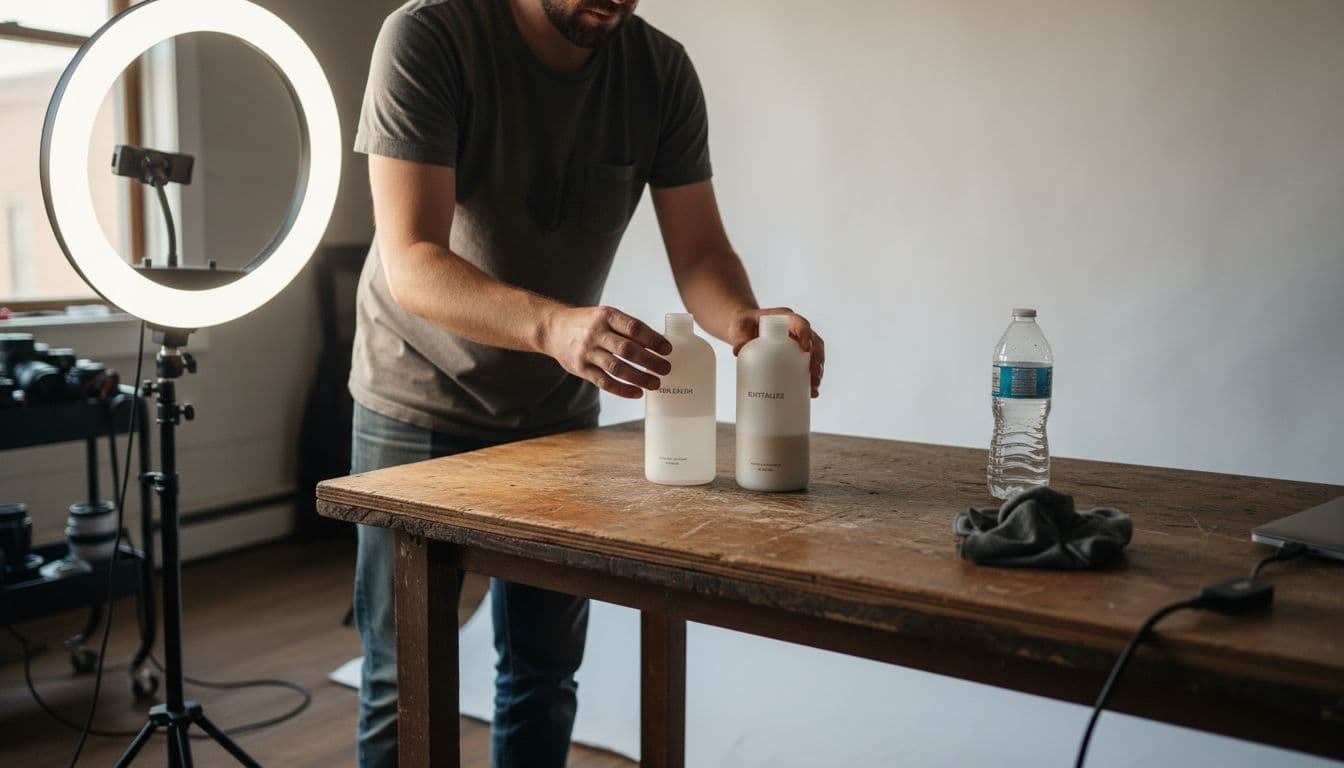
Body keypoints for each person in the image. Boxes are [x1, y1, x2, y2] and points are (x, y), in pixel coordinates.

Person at [349, 0, 826, 765]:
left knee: (543, 675)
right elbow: (411, 258)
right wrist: (553, 327)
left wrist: (740, 320)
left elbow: (699, 251)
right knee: (402, 677)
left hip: (554, 409)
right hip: (417, 396)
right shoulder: (429, 34)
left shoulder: (660, 70)